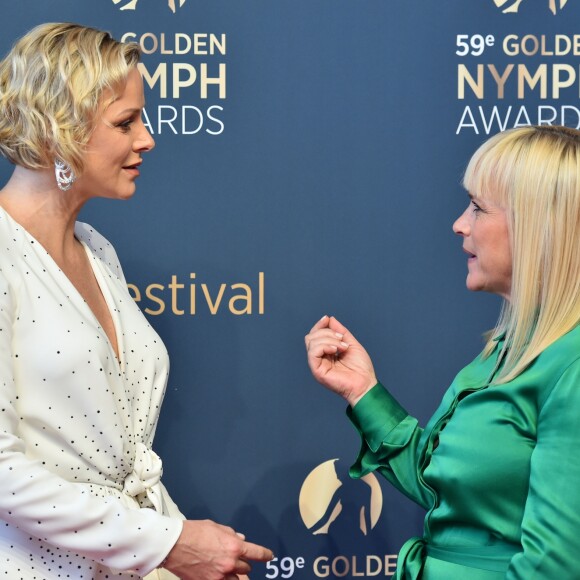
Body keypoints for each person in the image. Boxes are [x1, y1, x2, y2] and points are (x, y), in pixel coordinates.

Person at [0, 22, 272, 580]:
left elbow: (122, 459)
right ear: (57, 132)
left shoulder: (97, 251)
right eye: (125, 122)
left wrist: (186, 549)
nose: (148, 139)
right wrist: (168, 544)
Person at [305, 125, 580, 579]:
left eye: (478, 208)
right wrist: (363, 391)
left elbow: (554, 568)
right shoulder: (511, 349)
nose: (460, 223)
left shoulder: (569, 365)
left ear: (537, 226)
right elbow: (450, 490)